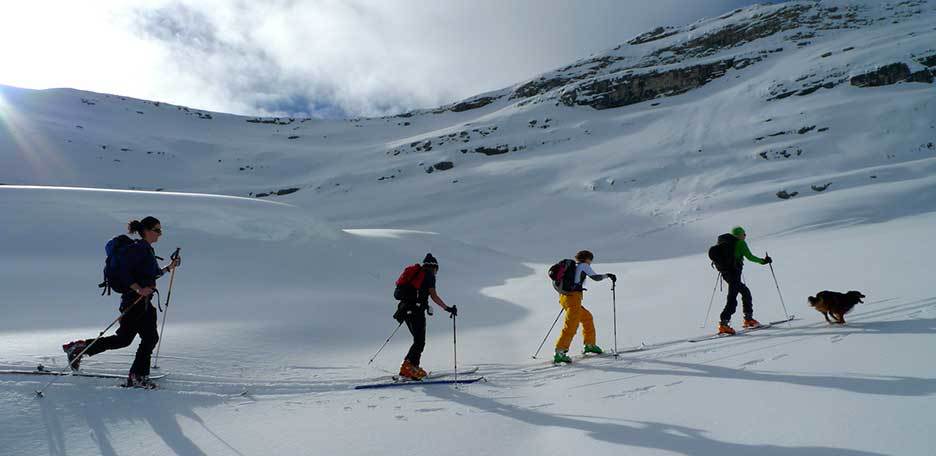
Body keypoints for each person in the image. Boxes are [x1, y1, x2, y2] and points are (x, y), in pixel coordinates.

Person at [62, 216, 181, 388]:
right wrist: (138, 289)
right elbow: (122, 272)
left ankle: (79, 348)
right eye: (157, 230)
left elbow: (151, 274)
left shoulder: (146, 250)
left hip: (142, 301)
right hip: (136, 301)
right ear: (146, 231)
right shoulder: (139, 249)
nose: (160, 234)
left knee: (125, 339)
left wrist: (170, 267)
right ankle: (137, 376)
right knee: (148, 338)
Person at [393, 253, 456, 380]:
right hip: (416, 311)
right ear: (434, 267)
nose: (436, 272)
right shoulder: (429, 275)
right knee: (420, 341)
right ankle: (408, 367)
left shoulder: (417, 274)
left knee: (418, 340)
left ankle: (413, 367)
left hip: (404, 310)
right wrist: (447, 308)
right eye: (436, 270)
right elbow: (433, 295)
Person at [554, 250, 616, 364]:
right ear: (587, 259)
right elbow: (595, 277)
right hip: (573, 298)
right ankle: (560, 352)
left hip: (564, 298)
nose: (590, 263)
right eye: (590, 260)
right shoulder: (583, 265)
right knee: (571, 325)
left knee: (587, 317)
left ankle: (589, 344)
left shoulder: (572, 267)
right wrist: (608, 275)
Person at [717, 226, 772, 335]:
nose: (745, 236)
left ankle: (748, 319)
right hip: (734, 274)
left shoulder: (726, 243)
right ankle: (724, 324)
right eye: (744, 234)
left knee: (745, 292)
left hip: (726, 274)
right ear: (740, 235)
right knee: (732, 298)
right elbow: (750, 257)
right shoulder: (740, 243)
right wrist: (763, 261)